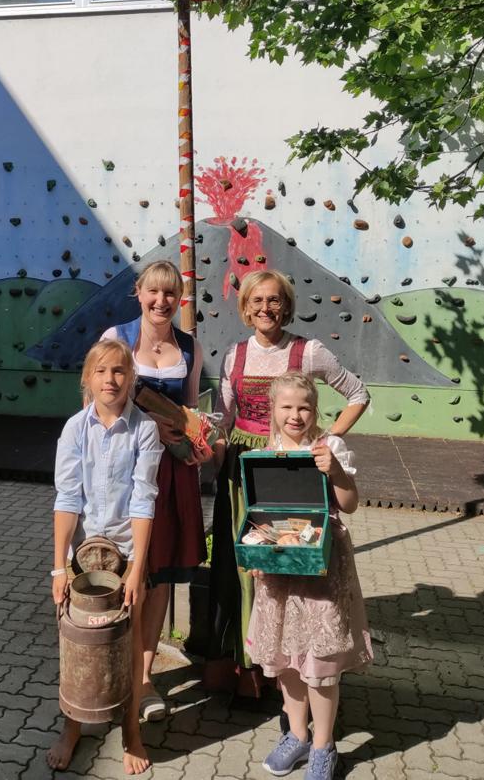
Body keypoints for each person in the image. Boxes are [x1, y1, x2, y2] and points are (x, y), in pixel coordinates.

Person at [205, 269, 369, 696]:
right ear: (245, 308)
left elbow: (358, 393)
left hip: (291, 470)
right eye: (257, 301)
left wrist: (329, 439)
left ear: (287, 305)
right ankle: (242, 663)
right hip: (244, 469)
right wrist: (208, 446)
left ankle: (287, 669)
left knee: (286, 563)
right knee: (237, 562)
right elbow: (223, 420)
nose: (266, 308)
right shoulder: (233, 355)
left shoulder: (308, 351)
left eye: (274, 300)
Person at [247, 372, 373, 780]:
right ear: (275, 410)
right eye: (287, 407)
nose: (295, 415)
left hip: (322, 572)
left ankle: (323, 746)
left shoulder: (329, 446)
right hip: (280, 570)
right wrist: (254, 547)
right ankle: (297, 736)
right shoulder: (270, 449)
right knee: (286, 661)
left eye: (304, 407)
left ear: (315, 410)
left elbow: (350, 504)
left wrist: (335, 471)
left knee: (318, 665)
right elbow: (262, 511)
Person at [47, 339, 163, 776]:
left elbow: (143, 500)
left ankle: (131, 731)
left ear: (131, 377)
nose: (110, 379)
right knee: (77, 643)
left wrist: (136, 570)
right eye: (101, 371)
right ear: (88, 379)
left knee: (129, 644)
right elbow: (67, 498)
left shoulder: (144, 430)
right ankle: (73, 727)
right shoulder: (75, 430)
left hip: (125, 556)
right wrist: (59, 566)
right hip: (82, 557)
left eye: (119, 371)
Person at [101, 260, 206, 721]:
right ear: (138, 293)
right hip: (127, 470)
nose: (162, 302)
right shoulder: (116, 338)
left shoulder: (191, 347)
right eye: (153, 292)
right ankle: (114, 669)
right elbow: (96, 405)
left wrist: (199, 439)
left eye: (171, 294)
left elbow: (192, 409)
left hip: (174, 473)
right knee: (129, 572)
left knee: (159, 575)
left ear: (179, 299)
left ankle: (144, 681)